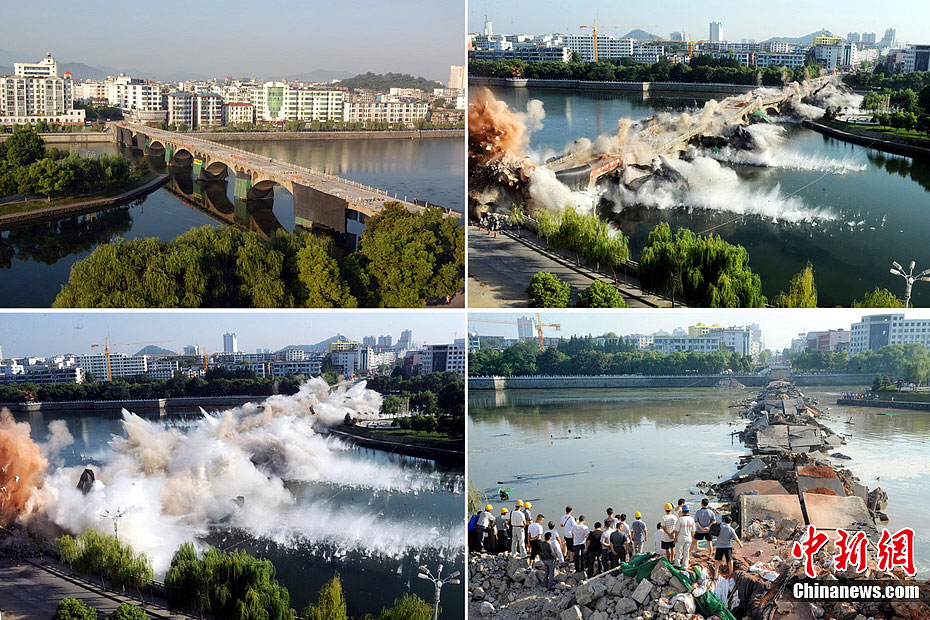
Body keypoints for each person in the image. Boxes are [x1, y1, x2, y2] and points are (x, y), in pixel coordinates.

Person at [673, 504, 696, 570]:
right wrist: (692, 538)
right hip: (688, 537)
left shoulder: (680, 519)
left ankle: (677, 564)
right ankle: (685, 565)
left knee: (679, 551)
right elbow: (693, 531)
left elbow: (676, 531)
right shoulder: (691, 520)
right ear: (689, 511)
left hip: (681, 537)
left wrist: (675, 538)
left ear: (682, 511)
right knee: (686, 552)